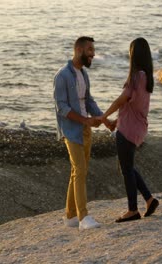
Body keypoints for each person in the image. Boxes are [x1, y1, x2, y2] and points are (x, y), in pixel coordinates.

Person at [99, 37, 159, 223]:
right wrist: (116, 120)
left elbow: (121, 100)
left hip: (128, 130)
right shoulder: (146, 77)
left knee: (126, 169)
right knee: (128, 167)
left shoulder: (135, 77)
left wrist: (103, 117)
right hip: (138, 127)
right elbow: (133, 106)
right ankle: (149, 199)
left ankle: (132, 210)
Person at [53, 36, 109, 230]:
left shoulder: (83, 74)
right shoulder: (62, 76)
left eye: (93, 49)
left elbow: (89, 101)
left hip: (85, 130)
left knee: (77, 171)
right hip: (71, 131)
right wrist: (85, 120)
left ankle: (70, 216)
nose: (93, 53)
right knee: (80, 171)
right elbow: (61, 107)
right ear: (79, 51)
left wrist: (104, 119)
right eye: (90, 50)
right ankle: (83, 217)